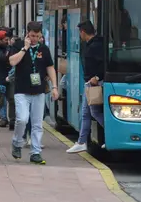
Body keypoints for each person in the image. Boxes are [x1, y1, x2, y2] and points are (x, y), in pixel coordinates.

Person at [9, 21, 59, 165]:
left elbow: (50, 68)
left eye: (37, 36)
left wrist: (54, 87)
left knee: (37, 123)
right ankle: (17, 143)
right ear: (27, 34)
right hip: (21, 91)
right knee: (22, 119)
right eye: (32, 36)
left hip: (39, 91)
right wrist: (25, 48)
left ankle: (35, 152)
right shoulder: (18, 46)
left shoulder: (44, 49)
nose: (34, 39)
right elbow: (12, 61)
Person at [67, 20, 104, 154]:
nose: (79, 35)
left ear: (83, 32)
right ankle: (81, 141)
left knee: (93, 112)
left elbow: (103, 64)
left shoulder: (95, 46)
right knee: (86, 113)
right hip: (90, 82)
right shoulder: (94, 44)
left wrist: (97, 77)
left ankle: (111, 132)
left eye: (79, 33)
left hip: (94, 83)